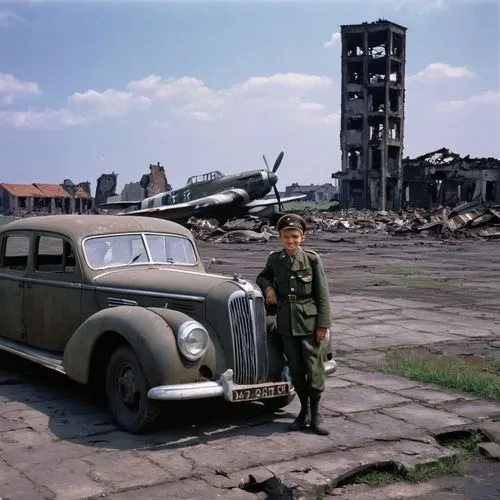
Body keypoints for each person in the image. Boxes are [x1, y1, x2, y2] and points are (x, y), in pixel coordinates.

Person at [256, 214, 332, 435]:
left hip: (309, 322)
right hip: (286, 324)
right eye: (286, 236)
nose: (290, 241)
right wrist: (269, 288)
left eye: (295, 236)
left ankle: (317, 415)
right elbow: (262, 277)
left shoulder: (312, 260)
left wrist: (322, 325)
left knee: (314, 369)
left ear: (302, 237)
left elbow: (322, 295)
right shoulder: (274, 260)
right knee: (297, 371)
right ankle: (303, 412)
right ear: (279, 236)